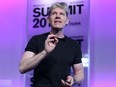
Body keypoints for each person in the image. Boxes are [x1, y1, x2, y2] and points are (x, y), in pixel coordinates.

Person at [19, 2, 84, 87]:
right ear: (48, 19)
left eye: (62, 14)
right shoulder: (36, 40)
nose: (58, 16)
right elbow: (22, 68)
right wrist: (45, 52)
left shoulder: (74, 45)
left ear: (67, 20)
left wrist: (73, 79)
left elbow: (79, 72)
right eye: (54, 13)